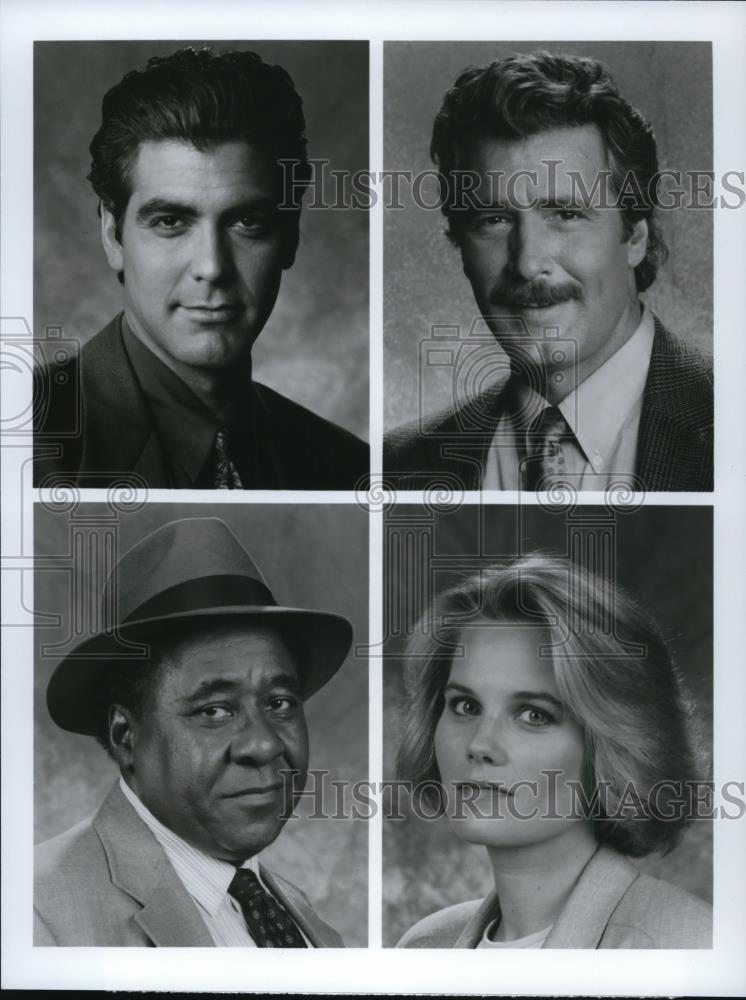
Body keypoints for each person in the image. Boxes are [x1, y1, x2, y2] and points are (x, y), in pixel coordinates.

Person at [33, 47, 368, 490]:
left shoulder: (346, 469)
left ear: (291, 235)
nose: (212, 267)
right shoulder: (21, 440)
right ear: (112, 234)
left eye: (248, 222)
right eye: (171, 222)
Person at [384, 51, 712, 492]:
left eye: (566, 214)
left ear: (634, 236)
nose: (527, 262)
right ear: (459, 242)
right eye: (493, 220)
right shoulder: (397, 466)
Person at [34, 516, 354, 946]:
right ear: (125, 735)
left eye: (279, 703)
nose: (263, 743)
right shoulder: (33, 915)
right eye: (215, 710)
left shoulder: (304, 923)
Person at [395, 555, 712, 948]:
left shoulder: (690, 944)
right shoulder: (425, 947)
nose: (479, 745)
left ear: (613, 747)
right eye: (466, 706)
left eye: (533, 715)